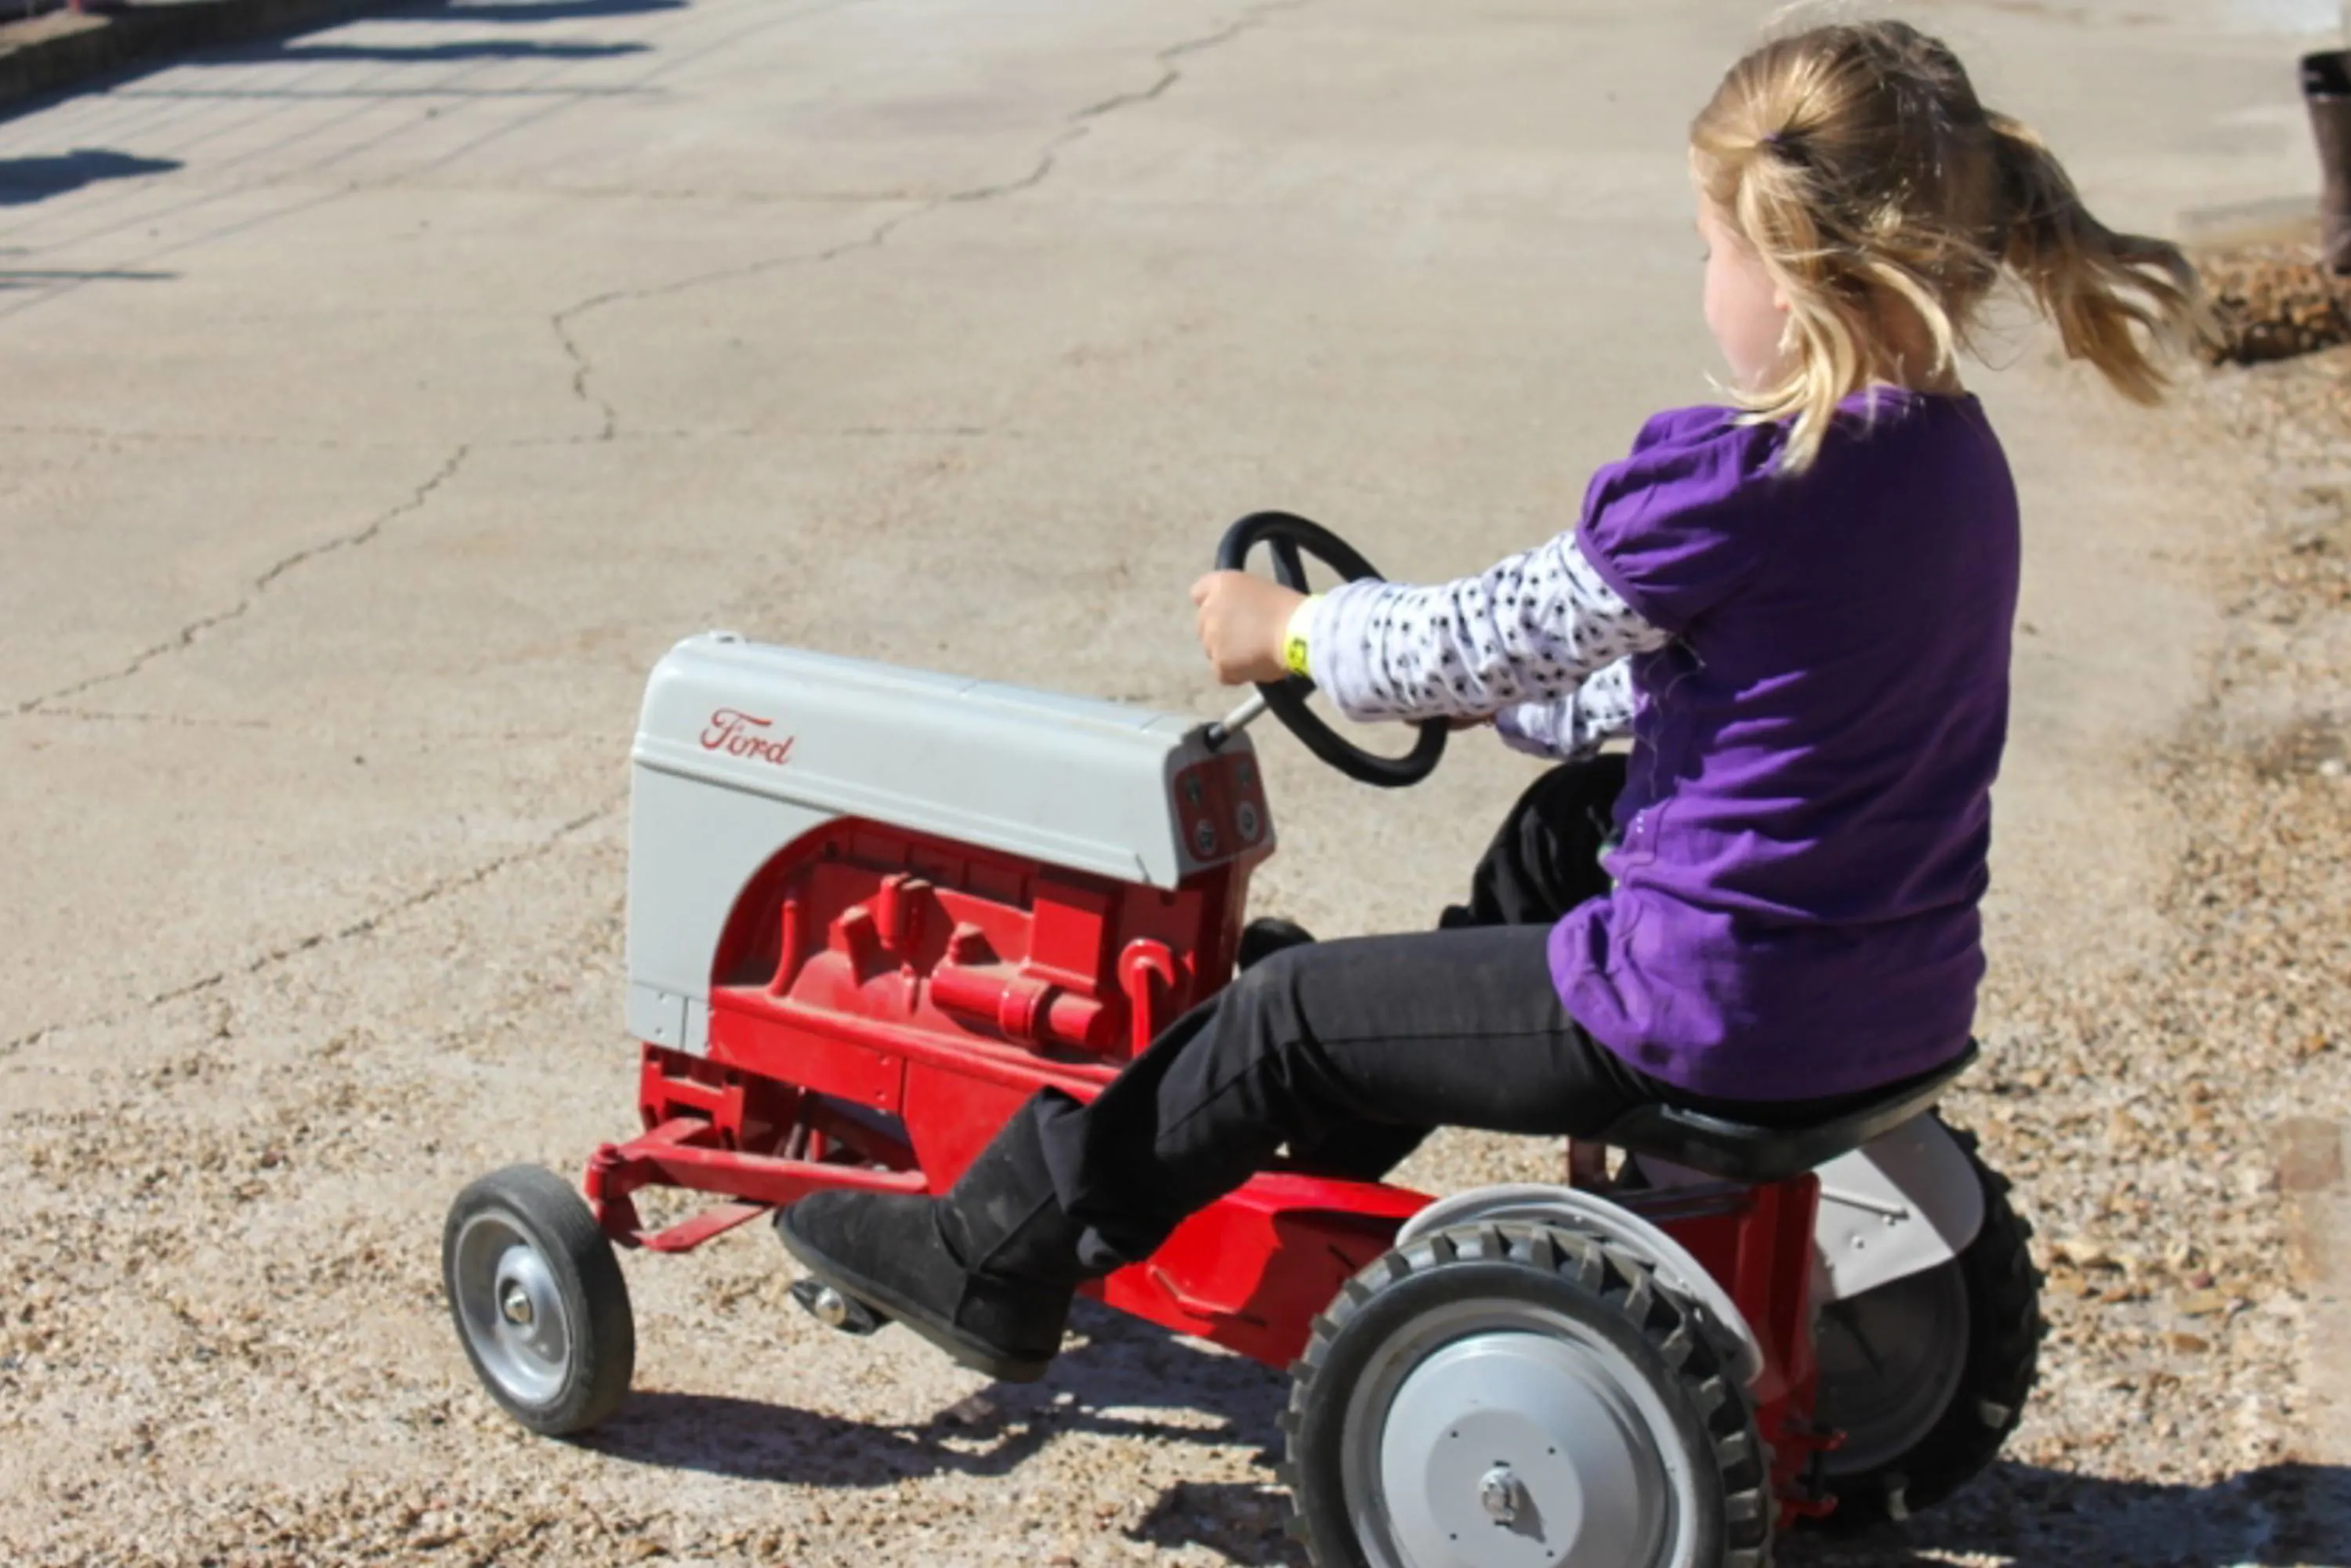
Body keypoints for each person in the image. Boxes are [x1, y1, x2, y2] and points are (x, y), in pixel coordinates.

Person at [777, 18, 2209, 1382]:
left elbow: (1476, 635)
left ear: (1782, 270)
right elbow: (1747, 703)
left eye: (1707, 247)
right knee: (1570, 824)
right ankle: (1329, 1112)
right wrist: (1507, 710)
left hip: (1716, 1008)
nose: (1701, 276)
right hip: (1886, 985)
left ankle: (992, 1252)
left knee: (1285, 1008)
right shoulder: (1952, 467)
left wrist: (1295, 632)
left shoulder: (1737, 479)